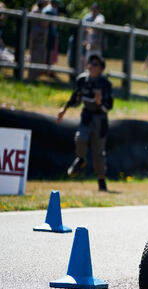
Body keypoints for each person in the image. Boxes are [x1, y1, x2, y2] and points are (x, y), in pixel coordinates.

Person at [56, 54, 113, 191]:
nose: (92, 66)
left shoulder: (105, 84)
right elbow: (75, 98)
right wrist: (64, 109)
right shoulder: (82, 80)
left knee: (98, 152)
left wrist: (100, 102)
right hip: (86, 116)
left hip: (100, 120)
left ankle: (101, 181)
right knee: (80, 138)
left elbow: (109, 106)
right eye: (90, 63)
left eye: (95, 64)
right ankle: (80, 159)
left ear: (101, 69)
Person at [28, 0, 49, 79]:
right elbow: (43, 24)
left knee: (38, 56)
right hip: (37, 38)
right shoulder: (36, 10)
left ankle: (34, 76)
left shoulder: (39, 10)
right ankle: (32, 76)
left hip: (39, 37)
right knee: (35, 56)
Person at [42, 0, 61, 76]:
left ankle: (48, 70)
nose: (58, 5)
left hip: (51, 33)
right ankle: (45, 70)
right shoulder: (49, 10)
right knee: (47, 52)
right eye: (57, 3)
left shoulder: (53, 9)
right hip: (48, 33)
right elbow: (49, 23)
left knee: (50, 52)